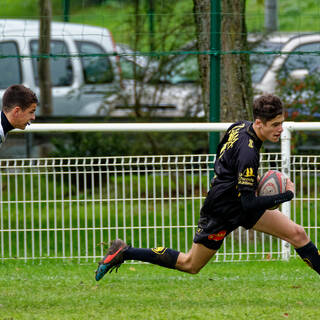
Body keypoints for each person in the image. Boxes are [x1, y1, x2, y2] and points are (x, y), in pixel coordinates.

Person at [95, 94, 320, 281]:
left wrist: (247, 180)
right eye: (275, 125)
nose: (280, 129)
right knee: (190, 264)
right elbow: (248, 202)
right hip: (222, 210)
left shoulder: (239, 127)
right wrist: (286, 195)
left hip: (238, 201)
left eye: (281, 123)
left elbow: (222, 159)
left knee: (297, 234)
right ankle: (124, 251)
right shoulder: (249, 152)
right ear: (259, 123)